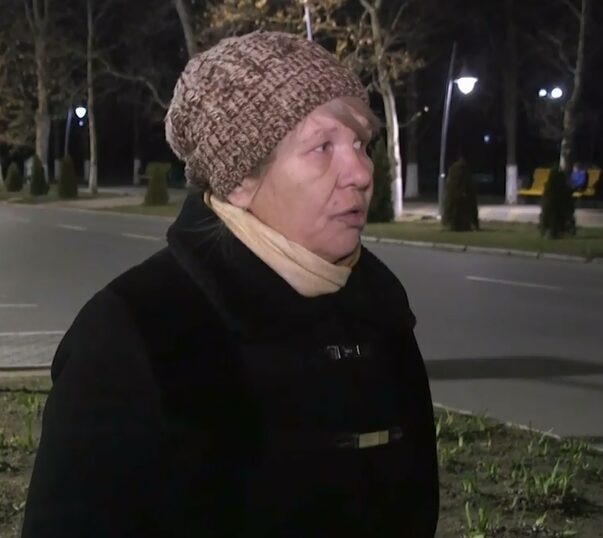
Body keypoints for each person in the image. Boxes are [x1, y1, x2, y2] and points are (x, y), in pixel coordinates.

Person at [22, 30, 439, 537]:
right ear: (240, 181)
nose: (360, 172)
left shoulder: (380, 310)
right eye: (322, 147)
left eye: (360, 144)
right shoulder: (133, 331)